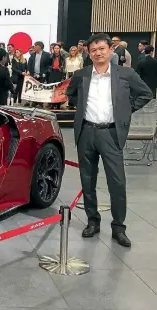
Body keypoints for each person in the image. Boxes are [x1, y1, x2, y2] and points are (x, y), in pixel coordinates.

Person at [65, 33, 153, 247]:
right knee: (88, 180)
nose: (97, 53)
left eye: (101, 48)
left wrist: (125, 110)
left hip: (111, 133)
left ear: (110, 50)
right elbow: (70, 94)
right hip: (86, 132)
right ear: (89, 52)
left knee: (117, 181)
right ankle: (93, 221)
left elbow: (145, 94)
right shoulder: (82, 75)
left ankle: (118, 227)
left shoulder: (125, 74)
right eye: (93, 50)